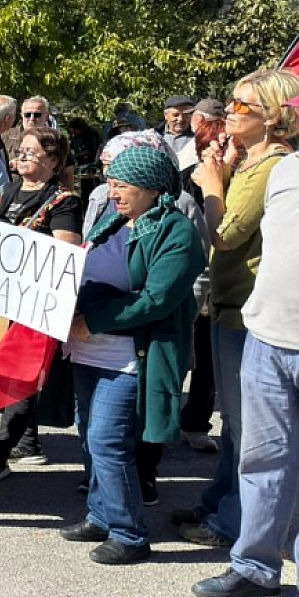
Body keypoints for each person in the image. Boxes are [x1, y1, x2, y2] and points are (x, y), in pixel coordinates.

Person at [191, 90, 299, 597]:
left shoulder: (279, 164)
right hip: (265, 335)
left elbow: (228, 231)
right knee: (260, 461)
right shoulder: (288, 171)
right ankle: (254, 566)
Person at [61, 146, 202, 565]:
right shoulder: (114, 222)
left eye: (123, 184)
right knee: (89, 437)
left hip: (129, 356)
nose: (113, 190)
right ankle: (101, 515)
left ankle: (129, 534)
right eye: (112, 182)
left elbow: (157, 298)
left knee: (108, 440)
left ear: (152, 187)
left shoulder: (176, 231)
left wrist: (94, 320)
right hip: (88, 350)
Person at [0, 127, 83, 475]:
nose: (23, 156)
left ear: (54, 161)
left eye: (32, 152)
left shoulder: (64, 201)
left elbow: (66, 250)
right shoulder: (8, 192)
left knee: (19, 382)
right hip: (0, 301)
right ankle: (5, 446)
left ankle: (0, 456)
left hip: (32, 307)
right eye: (22, 150)